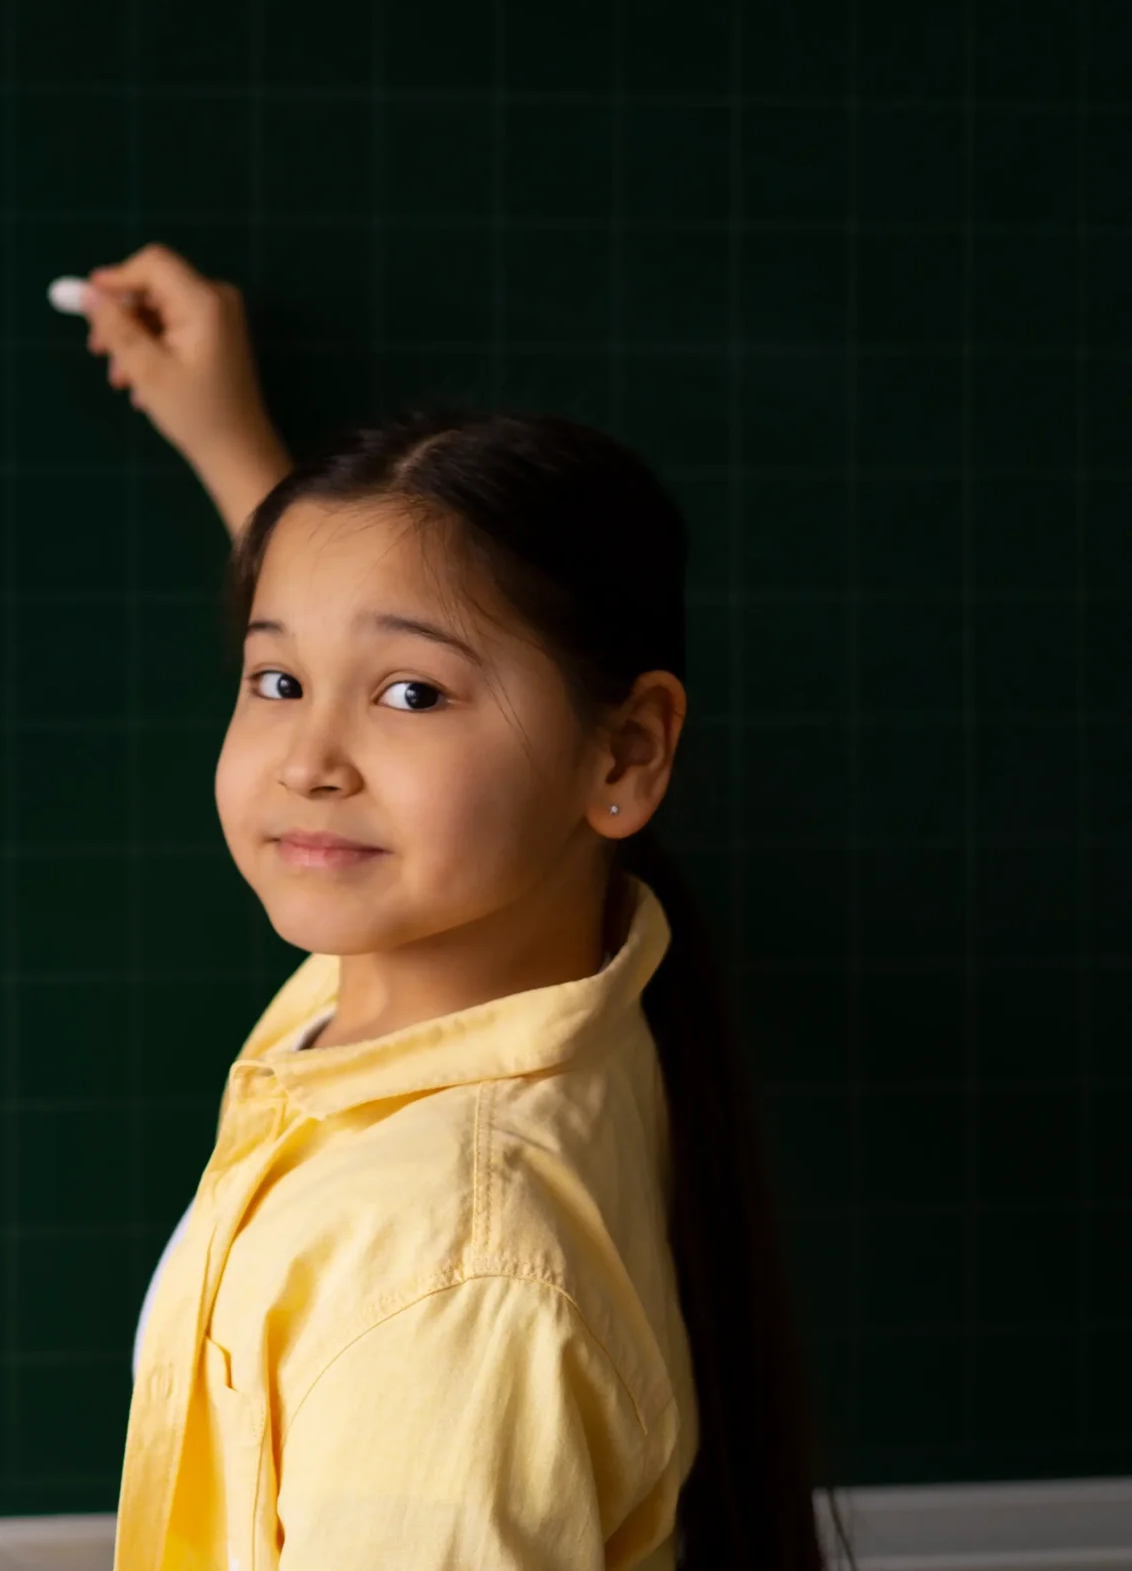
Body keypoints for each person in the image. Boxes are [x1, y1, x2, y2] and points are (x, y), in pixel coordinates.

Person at [79, 246, 830, 1570]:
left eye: (410, 694)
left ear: (625, 756)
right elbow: (376, 660)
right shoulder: (467, 972)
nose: (311, 754)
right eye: (272, 678)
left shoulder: (450, 1282)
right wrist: (231, 440)